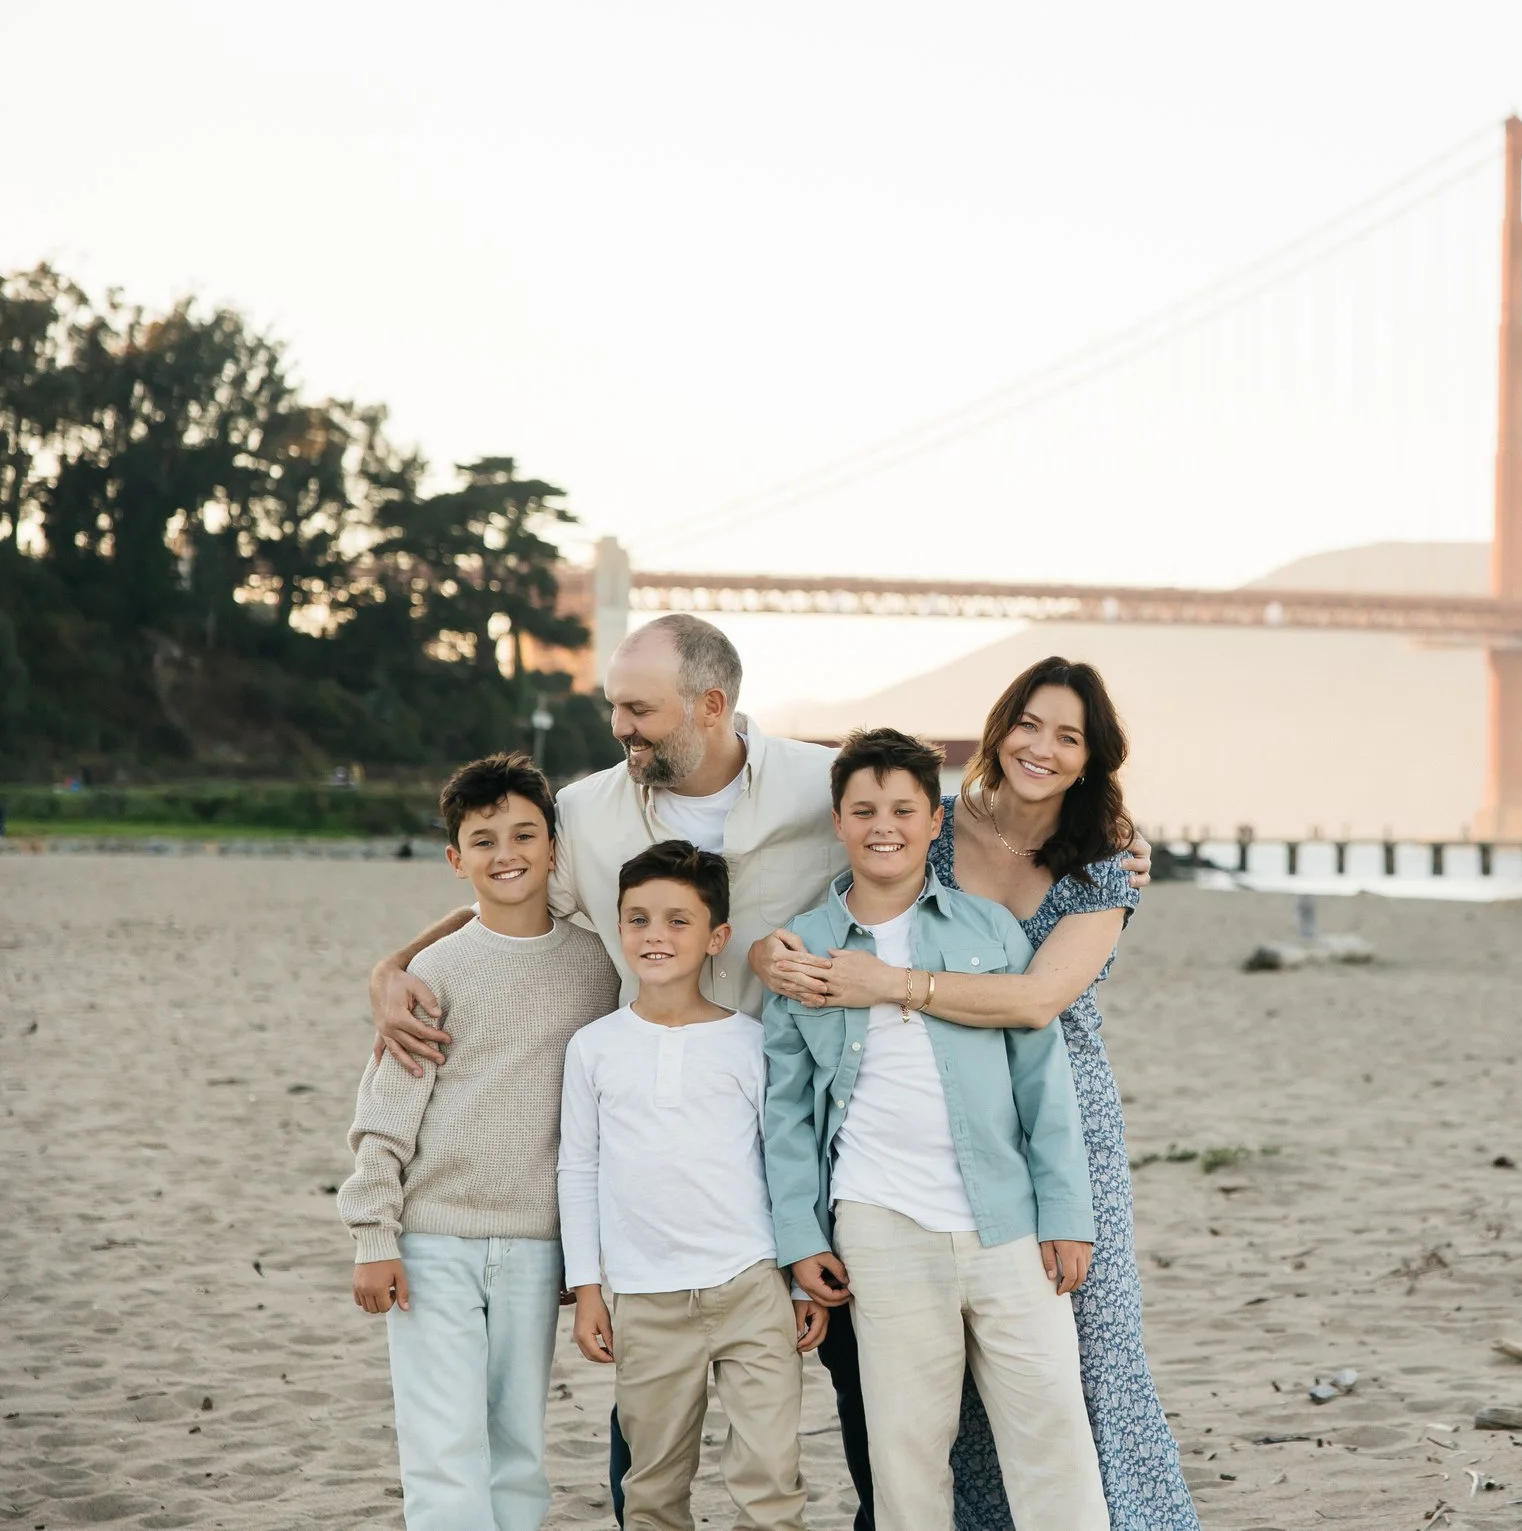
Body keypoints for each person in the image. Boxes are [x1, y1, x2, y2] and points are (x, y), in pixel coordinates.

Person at [364, 615, 1154, 1527]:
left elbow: (949, 827)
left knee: (875, 1400)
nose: (620, 725)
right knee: (653, 1424)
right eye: (615, 706)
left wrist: (1112, 842)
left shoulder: (819, 784)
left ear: (711, 704)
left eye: (638, 708)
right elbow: (504, 895)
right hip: (668, 1146)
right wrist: (395, 966)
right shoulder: (583, 813)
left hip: (822, 1131)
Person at [752, 658, 1199, 1530]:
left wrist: (891, 983)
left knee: (1089, 1368)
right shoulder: (933, 825)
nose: (1042, 746)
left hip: (1052, 1111)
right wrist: (772, 957)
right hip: (904, 1148)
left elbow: (1037, 1002)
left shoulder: (1103, 857)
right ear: (1000, 725)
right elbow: (838, 903)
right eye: (1030, 722)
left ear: (1090, 757)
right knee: (926, 1406)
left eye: (1068, 736)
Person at [338, 753, 621, 1531]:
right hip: (433, 1243)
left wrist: (588, 1252)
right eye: (485, 838)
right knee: (442, 1446)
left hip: (537, 1246)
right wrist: (374, 1235)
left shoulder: (599, 968)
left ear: (555, 849)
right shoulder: (432, 971)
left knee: (518, 1446)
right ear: (456, 858)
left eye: (526, 833)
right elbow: (385, 1114)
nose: (508, 853)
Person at [561, 842, 821, 1531]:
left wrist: (798, 1281)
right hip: (646, 1298)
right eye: (638, 918)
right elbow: (578, 1166)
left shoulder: (750, 1041)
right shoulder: (595, 1047)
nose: (655, 935)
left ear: (717, 937)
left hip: (750, 1286)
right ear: (618, 928)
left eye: (679, 920)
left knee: (769, 1481)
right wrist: (588, 1287)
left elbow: (784, 1161)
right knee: (651, 1486)